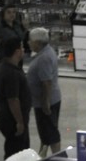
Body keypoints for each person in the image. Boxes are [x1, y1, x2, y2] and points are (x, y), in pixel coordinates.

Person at [26, 27, 61, 156]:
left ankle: (57, 156)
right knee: (46, 131)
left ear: (37, 42)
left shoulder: (43, 58)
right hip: (47, 100)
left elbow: (46, 82)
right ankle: (42, 155)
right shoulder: (46, 52)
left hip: (46, 102)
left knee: (50, 131)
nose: (28, 43)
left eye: (30, 41)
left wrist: (45, 103)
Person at [0, 37, 30, 159]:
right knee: (15, 152)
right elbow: (13, 100)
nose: (23, 49)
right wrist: (19, 122)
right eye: (21, 47)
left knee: (20, 148)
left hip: (10, 118)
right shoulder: (10, 73)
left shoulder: (8, 67)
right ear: (17, 51)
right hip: (11, 120)